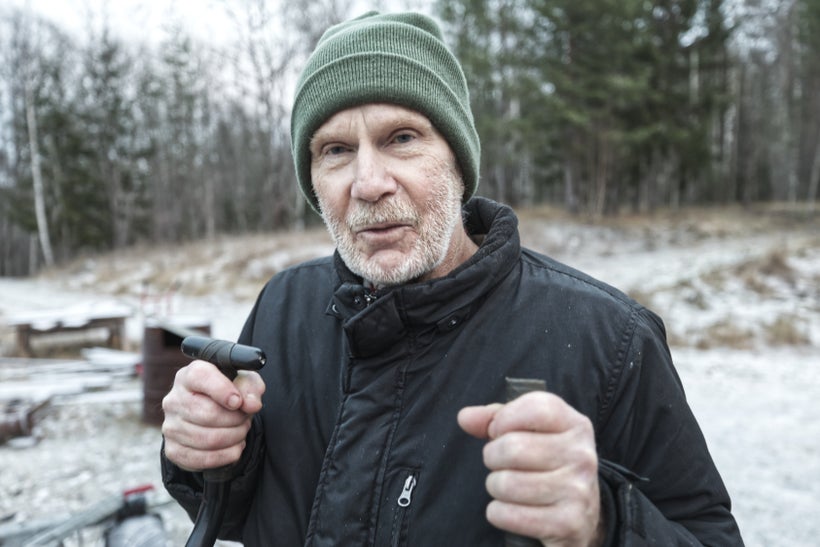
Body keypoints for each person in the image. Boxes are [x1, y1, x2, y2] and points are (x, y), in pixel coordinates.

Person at [160, 11, 744, 546]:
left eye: (402, 138)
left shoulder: (609, 339)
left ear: (458, 161)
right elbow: (251, 512)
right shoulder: (285, 305)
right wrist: (208, 455)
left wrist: (603, 523)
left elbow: (708, 534)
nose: (368, 183)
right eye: (335, 150)